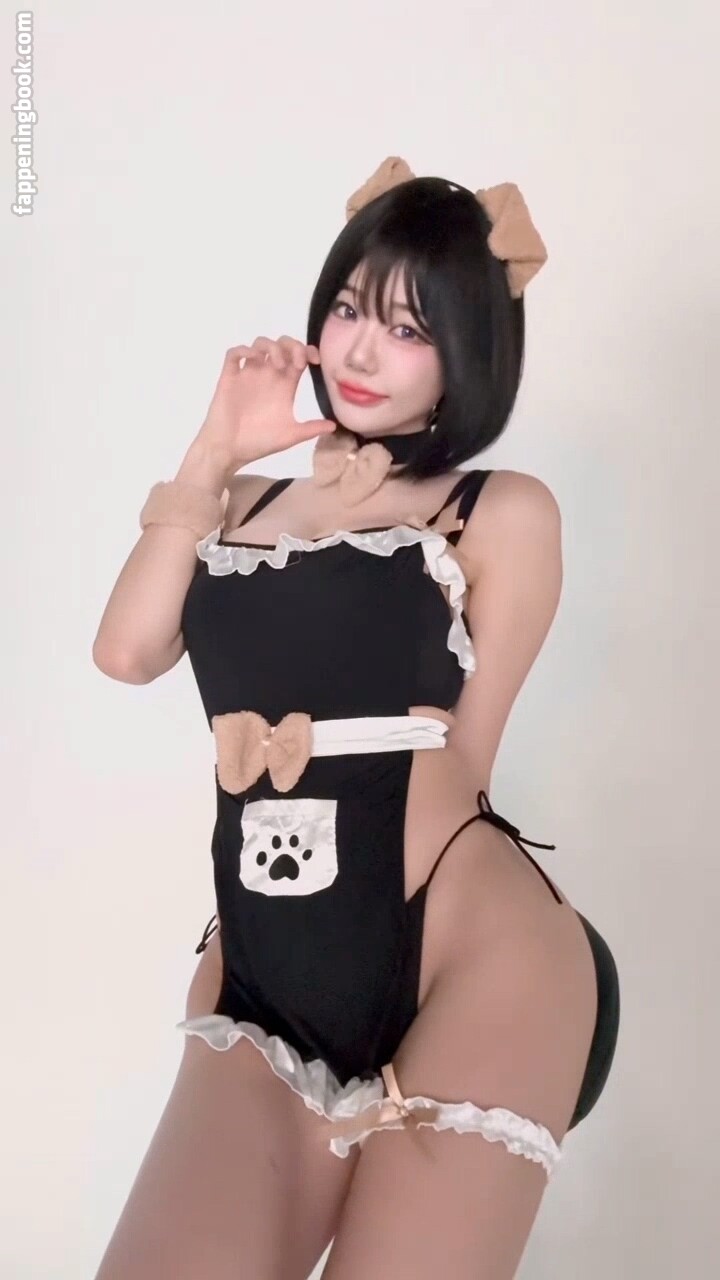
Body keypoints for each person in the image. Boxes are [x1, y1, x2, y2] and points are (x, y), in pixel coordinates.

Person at [91, 156, 620, 1279]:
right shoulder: (235, 504)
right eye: (348, 309)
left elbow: (467, 761)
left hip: (469, 955)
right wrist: (213, 450)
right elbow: (126, 651)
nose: (363, 351)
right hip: (263, 968)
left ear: (469, 353)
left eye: (410, 327)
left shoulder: (497, 512)